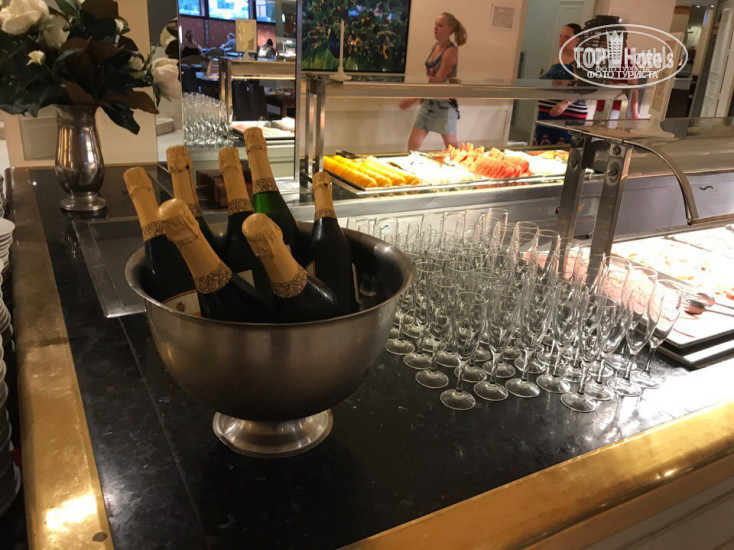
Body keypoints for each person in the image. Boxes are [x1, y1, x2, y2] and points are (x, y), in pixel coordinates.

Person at [399, 12, 467, 151]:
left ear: (449, 29)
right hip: (429, 102)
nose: (435, 28)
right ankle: (413, 164)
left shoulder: (451, 52)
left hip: (444, 105)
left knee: (452, 149)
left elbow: (438, 81)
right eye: (435, 25)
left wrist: (413, 99)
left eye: (440, 25)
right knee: (413, 144)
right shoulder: (435, 47)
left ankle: (461, 165)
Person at [533, 23, 588, 146]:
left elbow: (582, 86)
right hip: (547, 114)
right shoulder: (560, 56)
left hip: (567, 114)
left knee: (563, 151)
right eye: (560, 36)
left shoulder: (580, 59)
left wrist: (565, 103)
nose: (562, 40)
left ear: (577, 40)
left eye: (567, 37)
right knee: (542, 151)